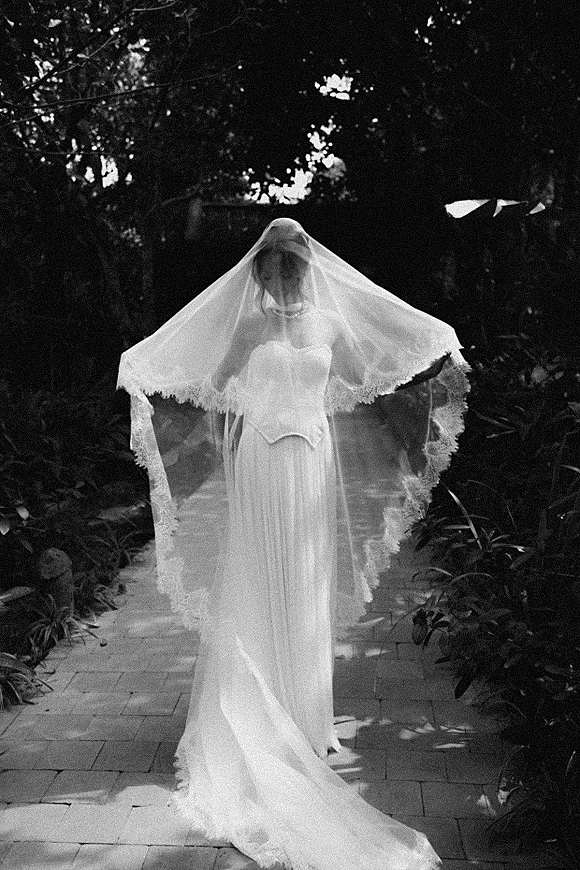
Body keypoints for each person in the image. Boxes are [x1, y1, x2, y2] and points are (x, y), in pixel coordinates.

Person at [117, 217, 471, 870]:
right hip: (259, 455)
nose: (282, 275)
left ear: (307, 267)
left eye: (292, 264)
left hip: (311, 459)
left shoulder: (333, 322)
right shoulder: (248, 326)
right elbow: (209, 375)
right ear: (260, 272)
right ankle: (260, 709)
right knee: (257, 575)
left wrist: (437, 340)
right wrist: (151, 369)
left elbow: (378, 351)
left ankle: (308, 719)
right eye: (272, 266)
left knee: (306, 578)